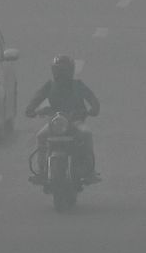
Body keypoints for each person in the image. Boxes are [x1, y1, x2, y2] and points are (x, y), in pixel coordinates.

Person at [25, 55, 100, 183]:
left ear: (70, 71)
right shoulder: (50, 85)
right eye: (58, 70)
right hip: (56, 122)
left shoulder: (78, 85)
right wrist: (30, 109)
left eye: (64, 70)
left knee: (86, 134)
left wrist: (94, 109)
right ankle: (41, 169)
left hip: (75, 121)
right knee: (40, 136)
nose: (61, 73)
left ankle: (89, 170)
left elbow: (91, 97)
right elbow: (38, 96)